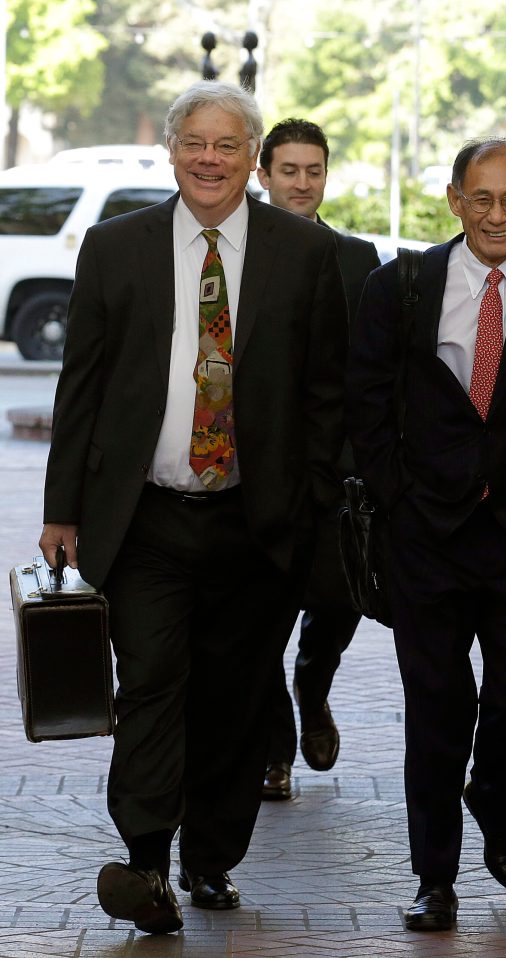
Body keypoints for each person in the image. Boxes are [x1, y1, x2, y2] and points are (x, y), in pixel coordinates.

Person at [38, 81, 347, 935]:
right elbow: (84, 385)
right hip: (145, 517)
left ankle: (211, 859)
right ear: (172, 151)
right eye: (194, 143)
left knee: (235, 696)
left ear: (253, 157)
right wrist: (62, 506)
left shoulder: (301, 253)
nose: (209, 159)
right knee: (149, 686)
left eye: (226, 145)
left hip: (258, 518)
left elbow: (325, 396)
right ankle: (144, 862)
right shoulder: (114, 246)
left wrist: (317, 509)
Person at [346, 137, 506, 931]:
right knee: (436, 708)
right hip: (426, 535)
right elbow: (366, 400)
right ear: (454, 200)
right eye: (481, 198)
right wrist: (397, 498)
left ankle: (496, 803)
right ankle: (435, 877)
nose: (497, 215)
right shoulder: (401, 286)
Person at [256, 118, 380, 800]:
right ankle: (273, 751)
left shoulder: (359, 258)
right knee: (258, 618)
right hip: (254, 472)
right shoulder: (234, 253)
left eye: (314, 170)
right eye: (290, 170)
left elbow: (373, 370)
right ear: (264, 174)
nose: (302, 182)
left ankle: (314, 683)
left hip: (339, 475)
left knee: (337, 603)